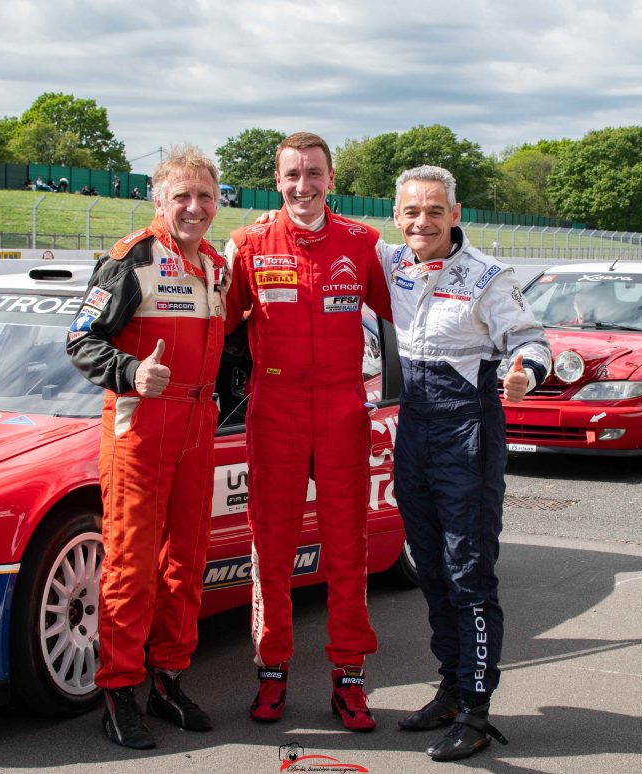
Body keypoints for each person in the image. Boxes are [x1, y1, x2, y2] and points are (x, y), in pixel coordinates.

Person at [376, 166, 551, 761]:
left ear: (455, 215)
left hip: (468, 432)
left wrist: (524, 372)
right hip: (414, 431)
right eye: (409, 212)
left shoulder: (488, 278)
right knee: (429, 568)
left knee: (468, 573)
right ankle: (450, 688)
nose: (420, 222)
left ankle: (477, 709)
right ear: (395, 217)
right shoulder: (391, 262)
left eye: (432, 211)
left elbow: (533, 342)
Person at [224, 132, 392, 732]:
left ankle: (349, 677)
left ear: (331, 177)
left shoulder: (364, 243)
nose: (303, 186)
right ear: (277, 179)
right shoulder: (247, 245)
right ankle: (272, 672)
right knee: (271, 548)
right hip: (276, 409)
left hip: (344, 407)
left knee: (349, 548)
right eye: (292, 174)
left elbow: (416, 315)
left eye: (314, 173)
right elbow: (213, 325)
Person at [67, 144, 229, 750]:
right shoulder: (131, 258)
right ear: (158, 200)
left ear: (218, 202)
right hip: (140, 426)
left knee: (187, 559)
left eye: (204, 197)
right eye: (181, 196)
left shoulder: (217, 264)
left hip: (197, 423)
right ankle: (118, 690)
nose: (194, 207)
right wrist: (132, 372)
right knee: (132, 563)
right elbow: (81, 341)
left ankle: (169, 679)